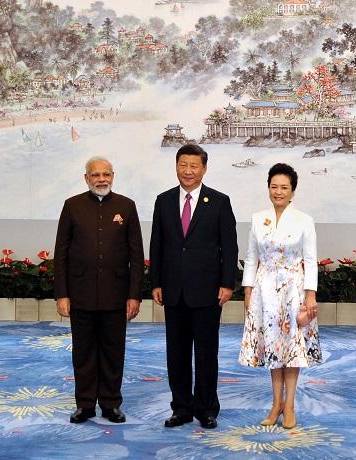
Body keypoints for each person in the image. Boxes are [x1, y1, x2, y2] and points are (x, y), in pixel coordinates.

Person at [150, 144, 238, 430]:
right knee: (175, 353)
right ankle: (181, 408)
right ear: (176, 166)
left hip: (207, 292)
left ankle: (207, 408)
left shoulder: (220, 201)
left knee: (205, 353)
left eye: (194, 166)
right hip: (173, 291)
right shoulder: (163, 201)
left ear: (204, 169)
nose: (188, 171)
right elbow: (157, 245)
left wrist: (227, 284)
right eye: (183, 165)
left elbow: (229, 247)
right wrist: (156, 282)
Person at [54, 156, 144, 424]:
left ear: (113, 176)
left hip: (116, 296)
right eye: (96, 175)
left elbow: (136, 256)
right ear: (86, 178)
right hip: (80, 295)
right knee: (83, 352)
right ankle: (84, 404)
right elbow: (61, 254)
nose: (101, 179)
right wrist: (62, 294)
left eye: (106, 174)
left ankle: (110, 403)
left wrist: (134, 295)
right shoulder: (72, 206)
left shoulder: (126, 206)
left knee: (113, 351)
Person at [238, 163, 322, 429]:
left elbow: (311, 260)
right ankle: (275, 405)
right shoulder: (257, 218)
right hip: (265, 291)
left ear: (293, 191)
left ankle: (290, 406)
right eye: (274, 186)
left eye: (284, 187)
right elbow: (251, 258)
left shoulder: (304, 220)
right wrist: (248, 291)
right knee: (273, 347)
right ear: (268, 189)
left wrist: (310, 297)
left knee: (292, 348)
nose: (278, 191)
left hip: (294, 290)